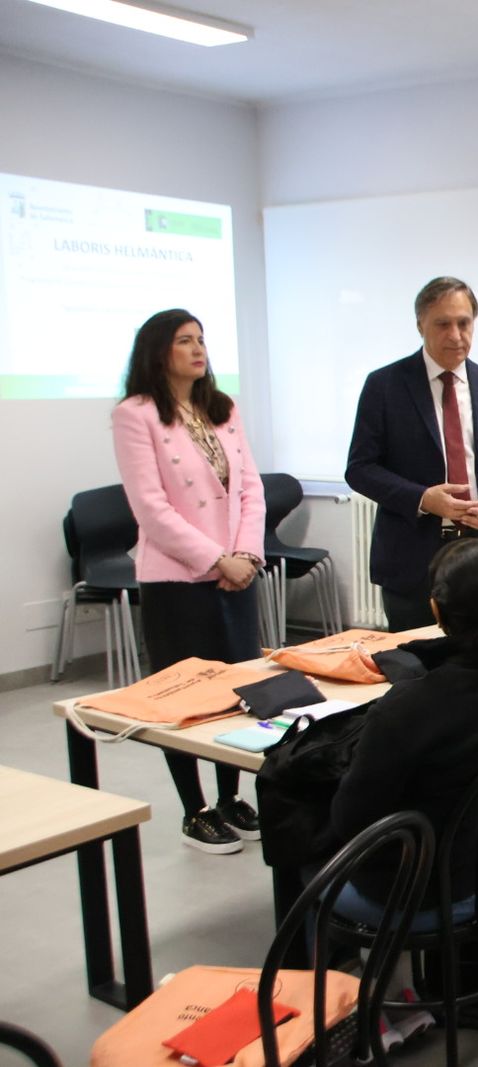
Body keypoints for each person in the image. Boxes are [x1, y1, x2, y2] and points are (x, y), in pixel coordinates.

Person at [319, 538, 478, 1037]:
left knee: (310, 852)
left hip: (425, 894)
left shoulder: (408, 708)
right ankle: (420, 990)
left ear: (434, 609)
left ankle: (352, 1007)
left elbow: (349, 822)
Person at [112, 309, 265, 854]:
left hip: (236, 572)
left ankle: (229, 796)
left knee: (237, 689)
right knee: (185, 697)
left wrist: (245, 554)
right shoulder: (137, 415)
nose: (198, 349)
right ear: (159, 352)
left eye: (201, 339)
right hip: (178, 578)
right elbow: (151, 509)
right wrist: (217, 560)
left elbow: (250, 487)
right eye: (184, 341)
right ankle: (193, 808)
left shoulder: (221, 408)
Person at [345, 276, 478, 632]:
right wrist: (423, 499)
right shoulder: (385, 386)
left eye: (464, 323)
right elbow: (360, 468)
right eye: (443, 324)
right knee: (416, 671)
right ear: (420, 325)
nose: (456, 335)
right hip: (412, 559)